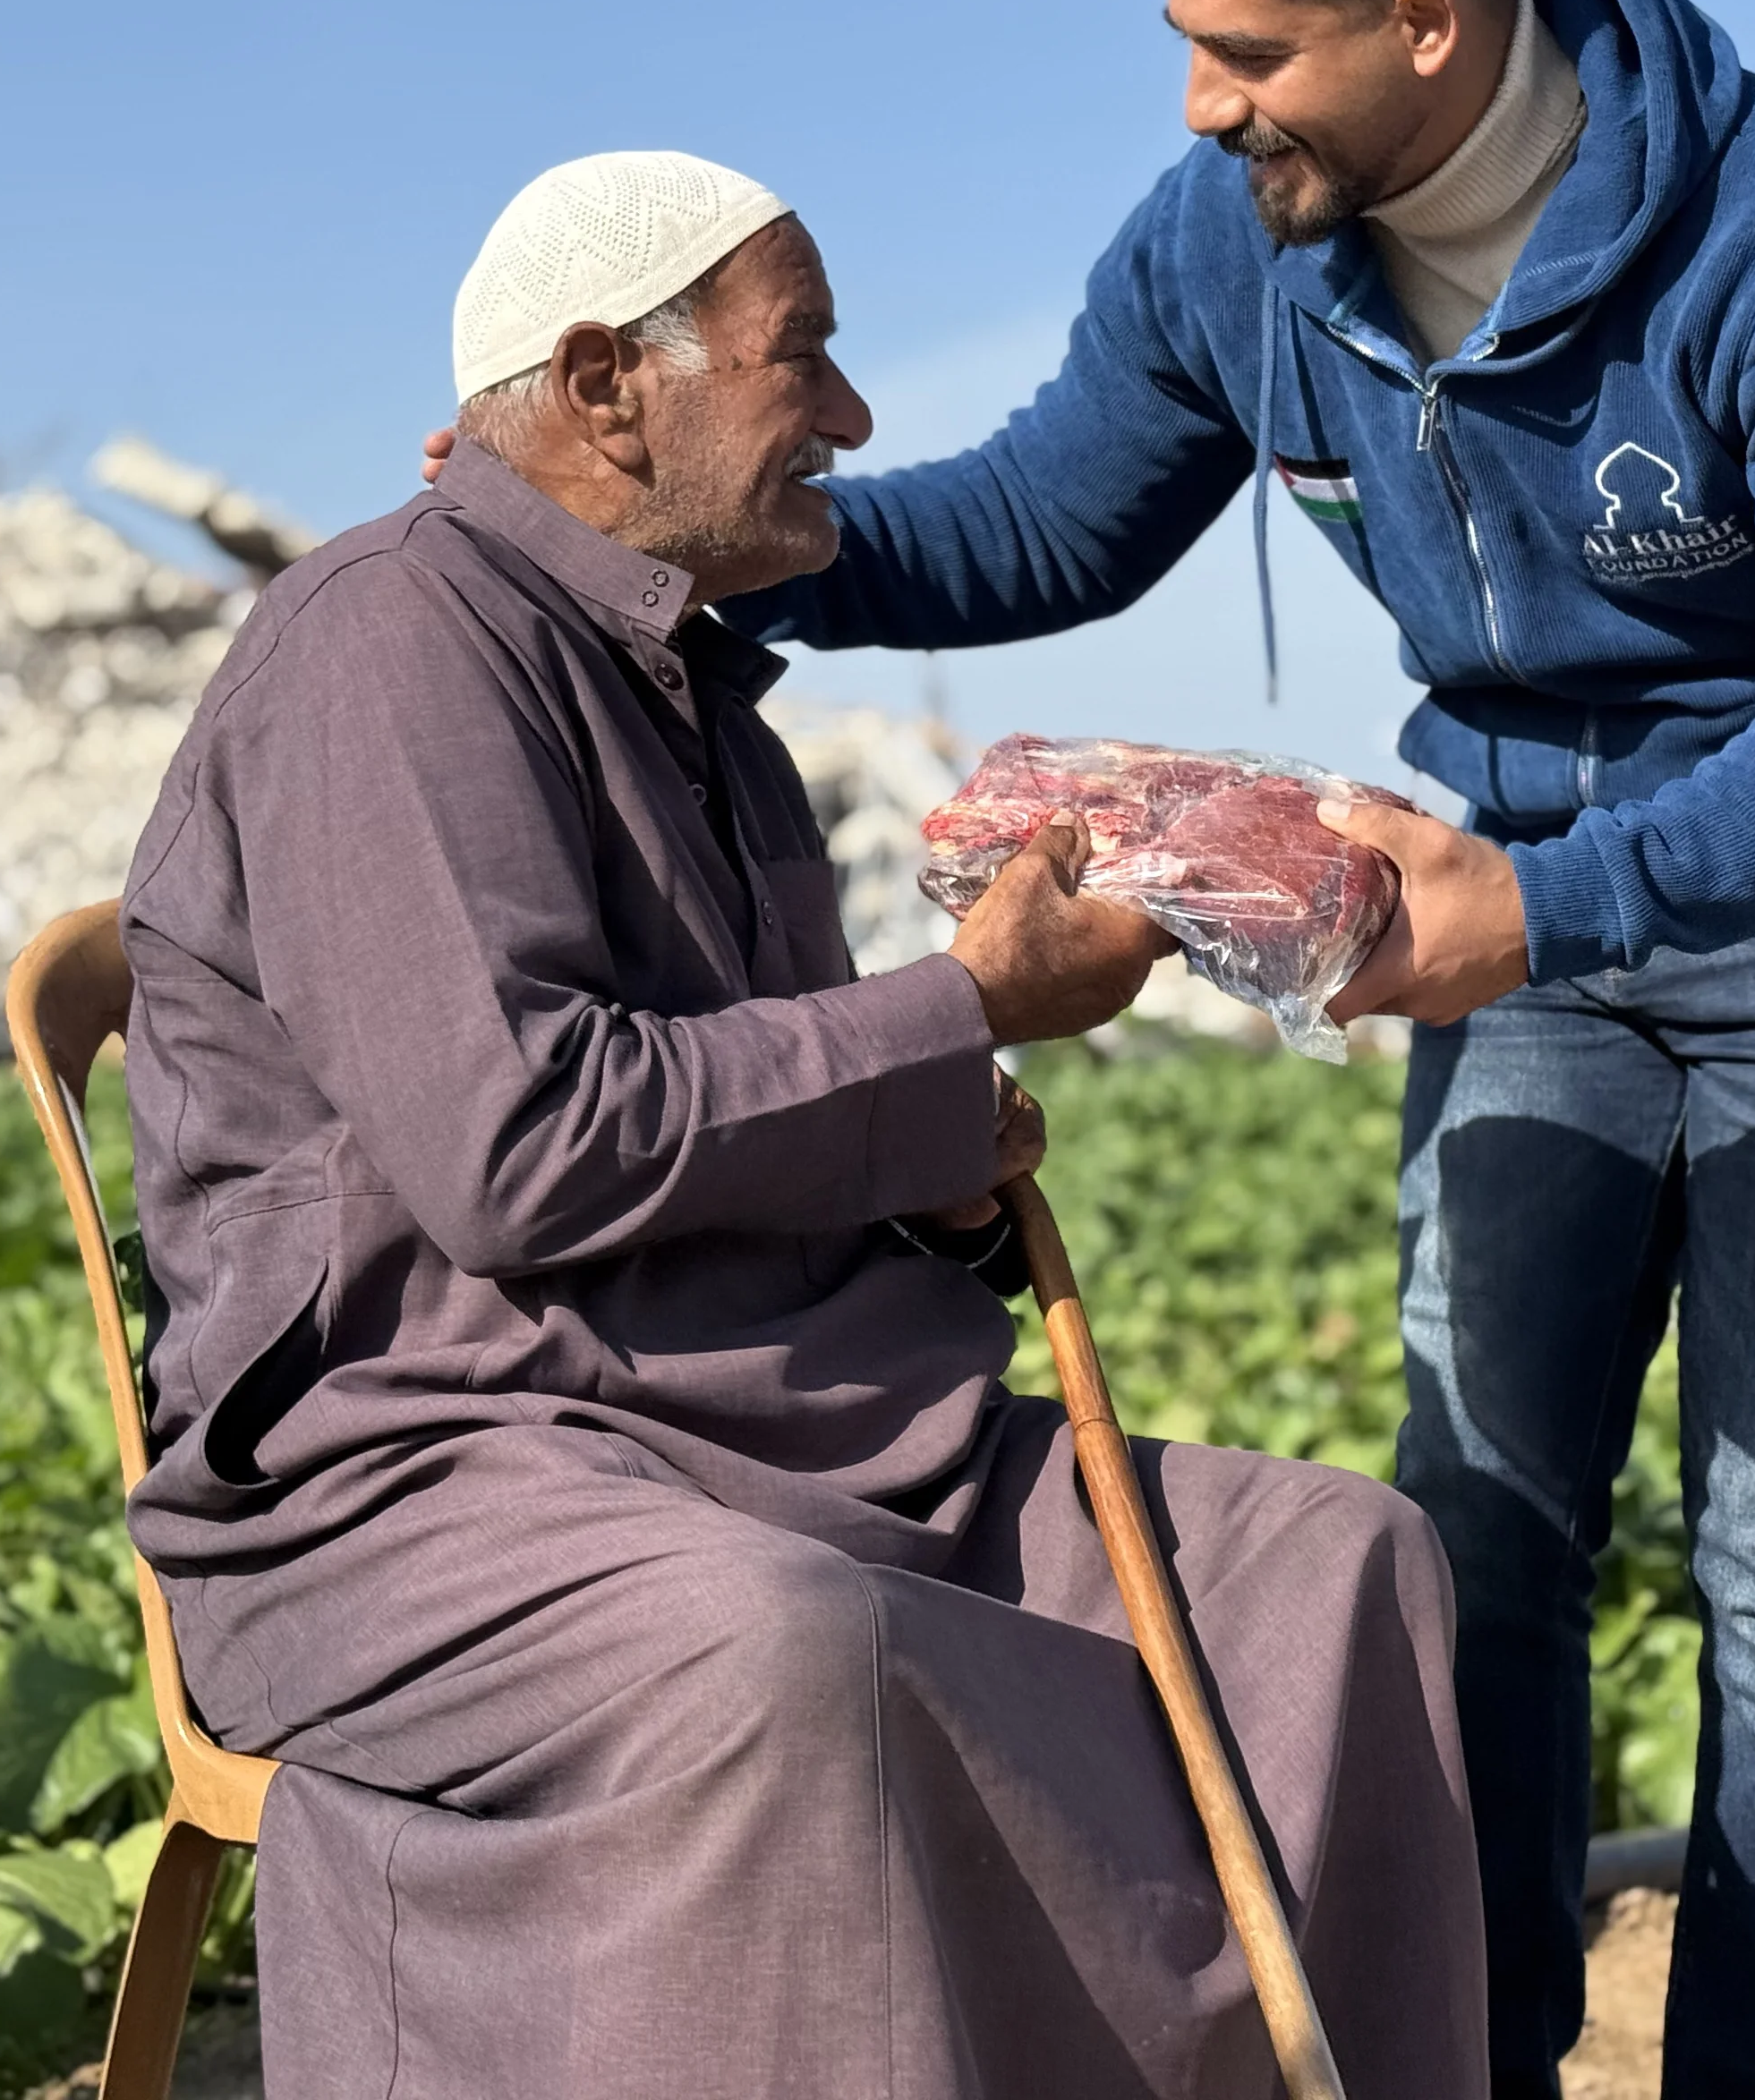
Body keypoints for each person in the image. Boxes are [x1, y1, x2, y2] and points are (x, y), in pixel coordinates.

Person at [658, 0, 1755, 2100]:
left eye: (1249, 51)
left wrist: (1561, 904)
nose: (1203, 105)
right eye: (1185, 41)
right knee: (1481, 1536)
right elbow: (1045, 517)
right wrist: (730, 537)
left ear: (1425, 18)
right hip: (1511, 906)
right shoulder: (1239, 238)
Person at [121, 148, 1489, 2100]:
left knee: (1334, 1561)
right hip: (437, 1467)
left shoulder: (706, 704)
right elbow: (524, 1147)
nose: (850, 417)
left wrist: (943, 1169)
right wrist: (962, 1008)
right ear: (606, 384)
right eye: (805, 356)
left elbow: (753, 1112)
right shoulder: (386, 643)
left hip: (783, 1424)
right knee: (780, 1645)